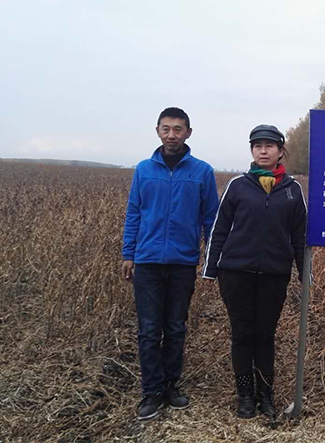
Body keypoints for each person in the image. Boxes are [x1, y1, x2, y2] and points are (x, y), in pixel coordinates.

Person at [121, 107, 220, 421]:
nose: (172, 135)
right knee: (149, 330)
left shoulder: (202, 172)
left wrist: (212, 259)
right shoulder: (144, 170)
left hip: (182, 263)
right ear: (157, 131)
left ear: (188, 132)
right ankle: (151, 391)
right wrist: (128, 253)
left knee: (175, 328)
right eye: (166, 129)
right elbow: (134, 213)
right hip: (147, 261)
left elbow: (211, 220)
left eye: (178, 129)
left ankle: (171, 386)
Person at [202, 124, 307, 419]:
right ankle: (245, 396)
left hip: (274, 274)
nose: (263, 151)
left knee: (265, 334)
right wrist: (210, 268)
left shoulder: (292, 190)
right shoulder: (238, 186)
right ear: (251, 150)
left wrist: (305, 272)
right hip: (236, 273)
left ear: (280, 151)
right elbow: (219, 229)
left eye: (269, 146)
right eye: (257, 146)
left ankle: (266, 395)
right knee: (242, 333)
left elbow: (300, 236)